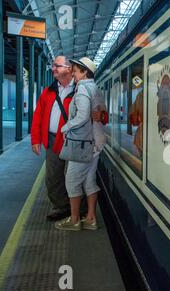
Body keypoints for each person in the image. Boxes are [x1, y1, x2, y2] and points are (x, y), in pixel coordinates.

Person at [31, 56, 107, 221]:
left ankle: (80, 210)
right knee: (53, 177)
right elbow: (38, 115)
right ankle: (61, 207)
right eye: (53, 66)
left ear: (68, 69)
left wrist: (101, 115)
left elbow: (100, 113)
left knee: (77, 177)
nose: (53, 69)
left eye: (57, 66)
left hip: (77, 140)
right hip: (53, 140)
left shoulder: (81, 89)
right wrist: (35, 139)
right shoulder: (49, 91)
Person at [55, 57, 105, 231]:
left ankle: (75, 219)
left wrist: (65, 127)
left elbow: (83, 116)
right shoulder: (95, 88)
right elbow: (99, 114)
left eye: (75, 71)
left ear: (84, 72)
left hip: (84, 142)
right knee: (89, 180)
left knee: (71, 180)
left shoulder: (83, 88)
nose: (73, 74)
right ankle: (91, 218)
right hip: (96, 141)